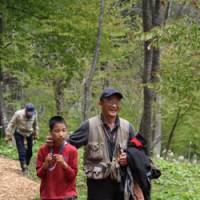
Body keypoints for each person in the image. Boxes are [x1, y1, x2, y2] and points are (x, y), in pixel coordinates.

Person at [47, 88, 136, 200]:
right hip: (97, 184)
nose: (114, 105)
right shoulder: (89, 125)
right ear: (100, 103)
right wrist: (55, 142)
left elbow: (140, 149)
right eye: (109, 101)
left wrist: (129, 157)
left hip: (121, 181)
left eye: (117, 101)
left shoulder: (127, 127)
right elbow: (68, 144)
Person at [36, 116, 78, 200]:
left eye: (63, 130)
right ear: (50, 132)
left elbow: (72, 176)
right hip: (48, 195)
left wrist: (64, 164)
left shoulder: (72, 150)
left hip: (67, 196)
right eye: (56, 131)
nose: (61, 134)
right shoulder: (43, 149)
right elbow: (39, 174)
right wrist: (45, 164)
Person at [6, 103, 39, 174]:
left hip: (29, 133)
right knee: (22, 151)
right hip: (19, 133)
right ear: (25, 110)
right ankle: (24, 168)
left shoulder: (34, 114)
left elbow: (35, 124)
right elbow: (11, 124)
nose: (30, 114)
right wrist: (8, 135)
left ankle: (26, 165)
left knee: (30, 152)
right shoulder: (18, 114)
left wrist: (36, 134)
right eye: (29, 112)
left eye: (31, 113)